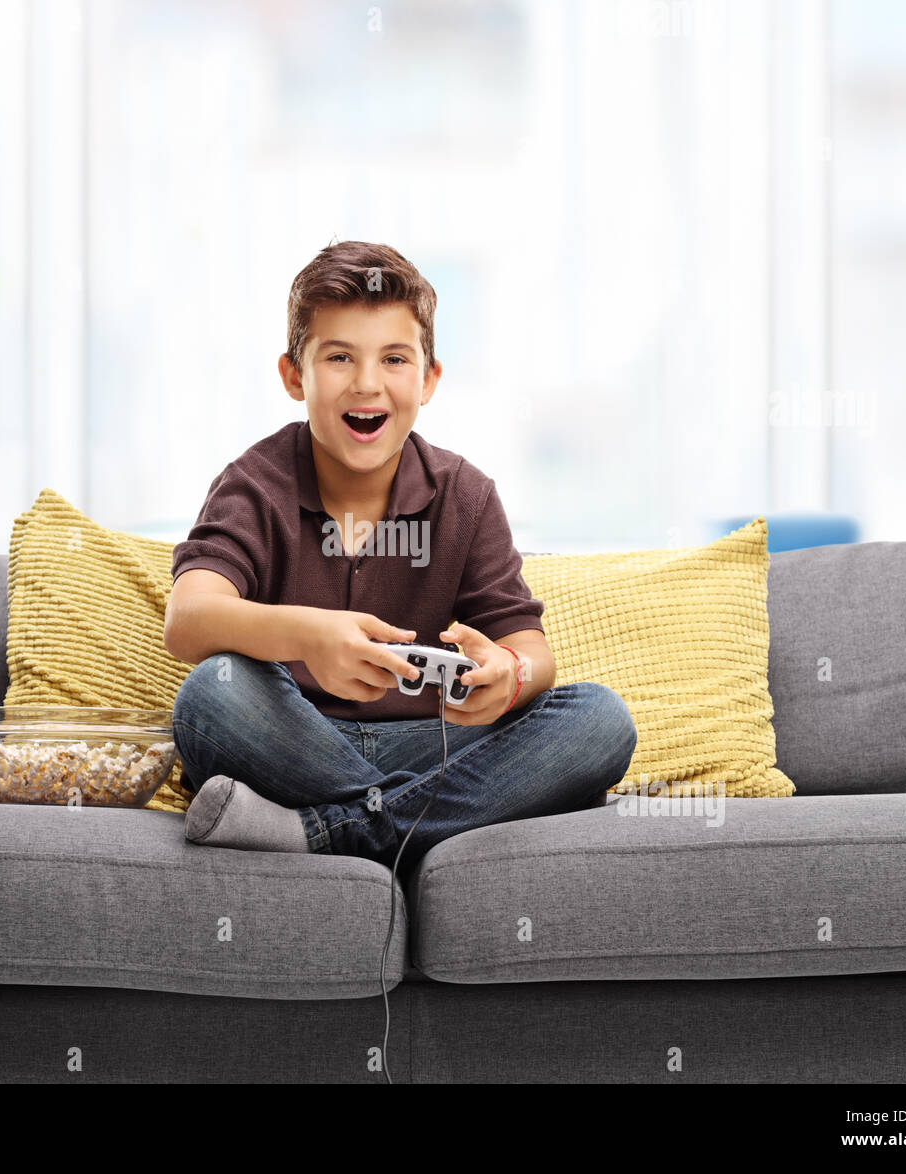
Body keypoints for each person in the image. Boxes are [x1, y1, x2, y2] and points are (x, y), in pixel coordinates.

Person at [163, 241, 637, 870]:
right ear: (294, 375)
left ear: (428, 378)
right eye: (338, 357)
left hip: (433, 743)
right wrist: (309, 637)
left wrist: (510, 675)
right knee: (209, 696)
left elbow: (531, 650)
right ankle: (423, 820)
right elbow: (188, 618)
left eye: (393, 358)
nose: (367, 383)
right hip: (293, 737)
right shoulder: (253, 483)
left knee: (599, 720)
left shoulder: (465, 495)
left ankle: (335, 830)